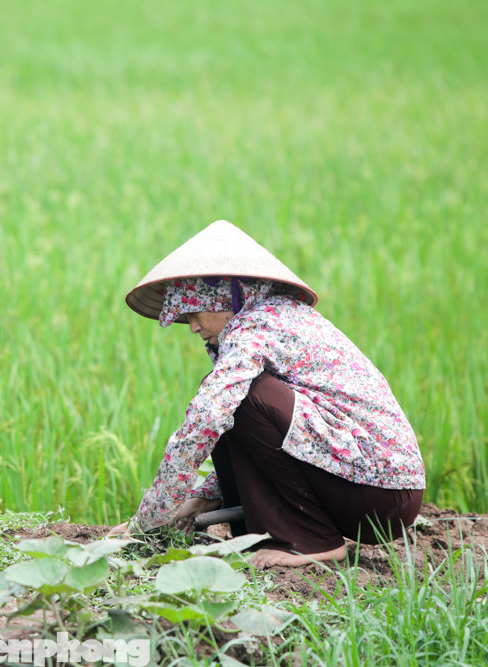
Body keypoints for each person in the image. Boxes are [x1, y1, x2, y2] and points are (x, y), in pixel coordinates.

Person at [108, 221, 426, 569]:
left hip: (379, 494)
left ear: (224, 297)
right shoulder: (269, 321)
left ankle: (308, 541)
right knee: (231, 400)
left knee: (232, 400)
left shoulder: (257, 325)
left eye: (194, 313)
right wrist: (201, 499)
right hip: (374, 493)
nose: (194, 327)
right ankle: (270, 533)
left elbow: (206, 419)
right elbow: (263, 436)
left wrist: (147, 522)